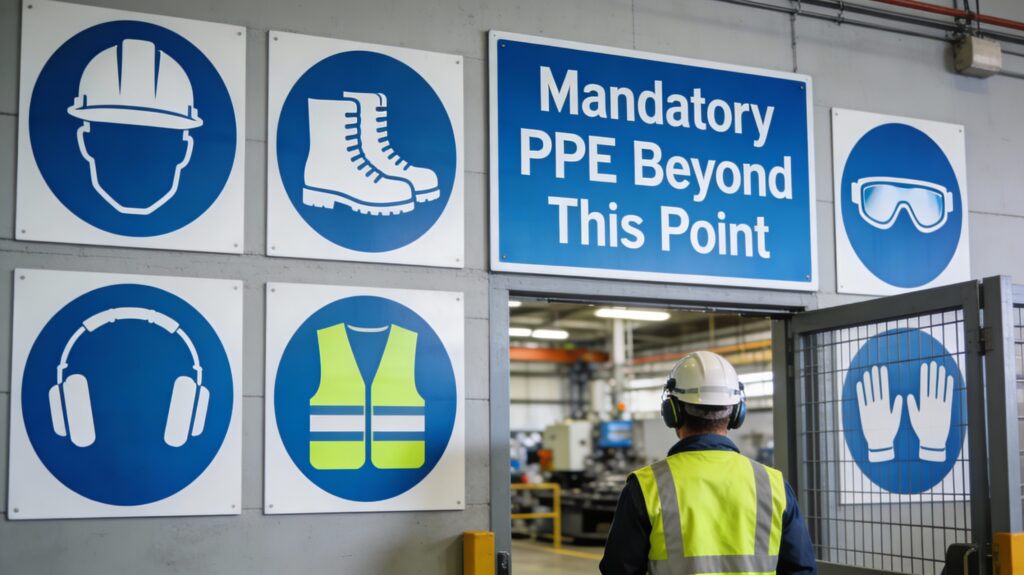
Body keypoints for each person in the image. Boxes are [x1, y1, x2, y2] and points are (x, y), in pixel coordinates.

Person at [600, 351, 817, 575]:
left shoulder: (647, 487)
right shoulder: (774, 485)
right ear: (736, 413)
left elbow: (618, 570)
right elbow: (801, 570)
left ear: (672, 413)